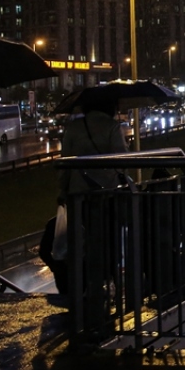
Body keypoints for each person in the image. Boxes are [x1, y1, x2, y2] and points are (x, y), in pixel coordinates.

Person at [49, 97, 128, 294]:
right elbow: (122, 160)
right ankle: (108, 281)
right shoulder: (112, 126)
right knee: (108, 238)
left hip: (78, 193)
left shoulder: (74, 127)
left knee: (81, 240)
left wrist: (63, 190)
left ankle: (82, 284)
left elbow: (64, 163)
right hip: (107, 193)